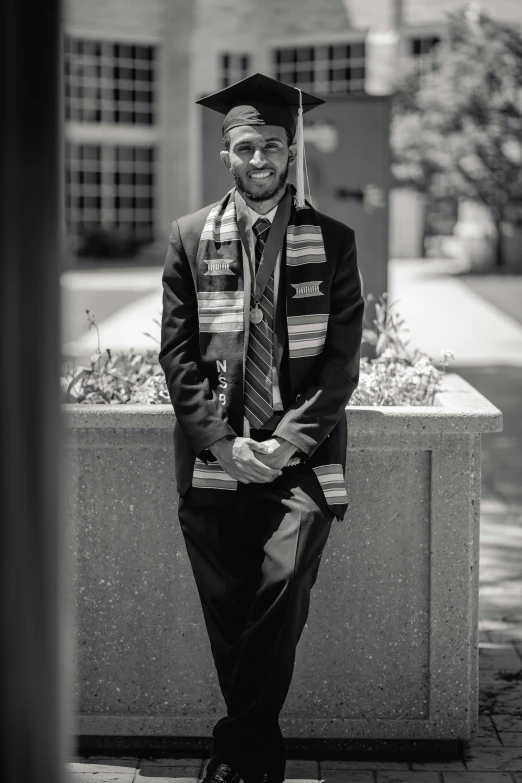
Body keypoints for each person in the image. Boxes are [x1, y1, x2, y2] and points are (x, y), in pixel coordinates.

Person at [159, 73, 364, 783]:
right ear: (226, 152)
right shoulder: (189, 238)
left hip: (301, 460)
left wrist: (283, 442)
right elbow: (178, 353)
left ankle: (233, 751)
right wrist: (221, 440)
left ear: (290, 148)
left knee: (280, 589)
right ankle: (254, 762)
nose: (260, 159)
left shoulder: (334, 242)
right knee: (230, 612)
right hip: (216, 458)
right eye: (245, 146)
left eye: (272, 145)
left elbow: (341, 363)